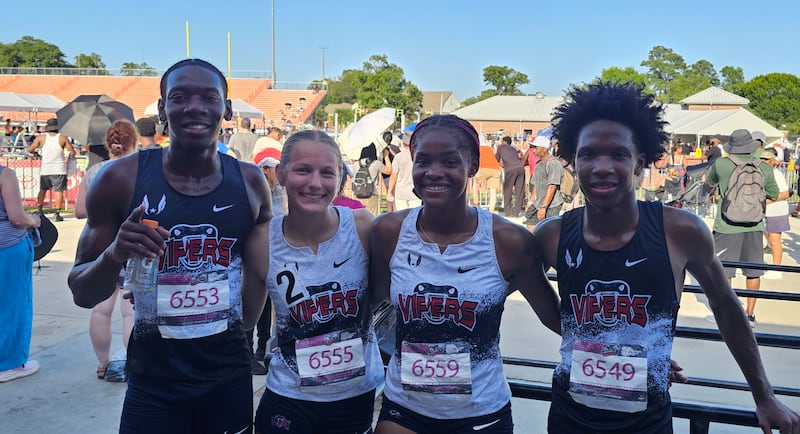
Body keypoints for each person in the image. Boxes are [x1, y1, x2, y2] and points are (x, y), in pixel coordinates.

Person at [531, 81, 798, 433]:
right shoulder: (551, 235)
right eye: (588, 154)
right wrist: (626, 346)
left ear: (640, 164)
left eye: (618, 155)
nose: (601, 166)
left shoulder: (680, 231)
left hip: (648, 424)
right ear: (573, 161)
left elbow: (725, 305)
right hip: (569, 419)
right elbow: (498, 288)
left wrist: (763, 396)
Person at [68, 58, 272, 433]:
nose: (195, 107)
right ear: (162, 108)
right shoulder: (120, 179)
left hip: (227, 375)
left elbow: (260, 274)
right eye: (179, 97)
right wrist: (115, 255)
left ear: (226, 109)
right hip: (153, 383)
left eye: (209, 97)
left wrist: (240, 327)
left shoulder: (251, 183)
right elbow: (81, 291)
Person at [370, 114, 561, 434]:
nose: (433, 172)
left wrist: (626, 351)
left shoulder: (508, 241)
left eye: (449, 161)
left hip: (480, 413)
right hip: (404, 407)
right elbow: (368, 303)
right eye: (423, 161)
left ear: (472, 166)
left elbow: (555, 317)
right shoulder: (389, 232)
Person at [254, 130, 383, 434]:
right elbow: (245, 317)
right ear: (281, 174)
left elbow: (382, 293)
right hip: (289, 397)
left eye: (327, 173)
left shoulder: (362, 227)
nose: (315, 183)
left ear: (340, 179)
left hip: (354, 396)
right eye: (303, 170)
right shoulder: (261, 240)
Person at [74, 120, 139, 381]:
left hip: (96, 243)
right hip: (127, 243)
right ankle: (130, 363)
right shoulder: (135, 170)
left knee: (101, 309)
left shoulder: (94, 171)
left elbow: (80, 211)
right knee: (129, 312)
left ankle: (102, 363)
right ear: (133, 142)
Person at [707, 129, 778, 327]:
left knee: (724, 272)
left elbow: (709, 181)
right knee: (754, 271)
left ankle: (727, 315)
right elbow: (774, 193)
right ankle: (750, 314)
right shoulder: (764, 167)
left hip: (726, 225)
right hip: (755, 226)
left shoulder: (721, 164)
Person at [0, 165, 41, 382]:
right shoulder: (5, 175)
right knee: (13, 304)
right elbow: (16, 217)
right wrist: (33, 220)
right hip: (6, 246)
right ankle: (10, 364)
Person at [27, 118, 76, 222]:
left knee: (43, 190)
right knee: (59, 191)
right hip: (59, 168)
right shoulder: (62, 138)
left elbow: (30, 149)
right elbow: (72, 152)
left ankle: (40, 210)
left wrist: (36, 154)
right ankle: (57, 213)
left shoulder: (41, 138)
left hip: (46, 168)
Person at [759, 149, 790, 280]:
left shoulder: (776, 174)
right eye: (761, 159)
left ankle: (777, 269)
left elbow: (785, 193)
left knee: (775, 241)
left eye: (765, 160)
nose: (762, 162)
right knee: (767, 237)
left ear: (772, 161)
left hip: (777, 211)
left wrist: (767, 201)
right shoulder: (761, 173)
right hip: (765, 211)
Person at [523, 136, 564, 230]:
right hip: (538, 203)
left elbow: (552, 186)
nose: (533, 151)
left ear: (545, 149)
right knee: (531, 225)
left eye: (536, 148)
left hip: (551, 205)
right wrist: (530, 202)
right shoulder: (538, 164)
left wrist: (544, 207)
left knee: (547, 231)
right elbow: (536, 186)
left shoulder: (553, 163)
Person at [388, 132, 420, 211]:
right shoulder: (418, 156)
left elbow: (394, 175)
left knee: (402, 217)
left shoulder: (398, 157)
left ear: (403, 142)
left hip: (401, 192)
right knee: (414, 217)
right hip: (415, 193)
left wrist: (390, 190)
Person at [495, 135, 525, 218]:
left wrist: (502, 164)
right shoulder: (513, 149)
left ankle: (508, 212)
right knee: (519, 190)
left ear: (504, 142)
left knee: (507, 190)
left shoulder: (501, 147)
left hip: (510, 169)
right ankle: (516, 212)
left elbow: (497, 158)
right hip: (520, 168)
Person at [470, 136, 501, 212]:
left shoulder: (476, 148)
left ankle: (476, 204)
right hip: (495, 169)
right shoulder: (489, 148)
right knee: (493, 190)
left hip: (482, 167)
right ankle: (491, 210)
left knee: (475, 183)